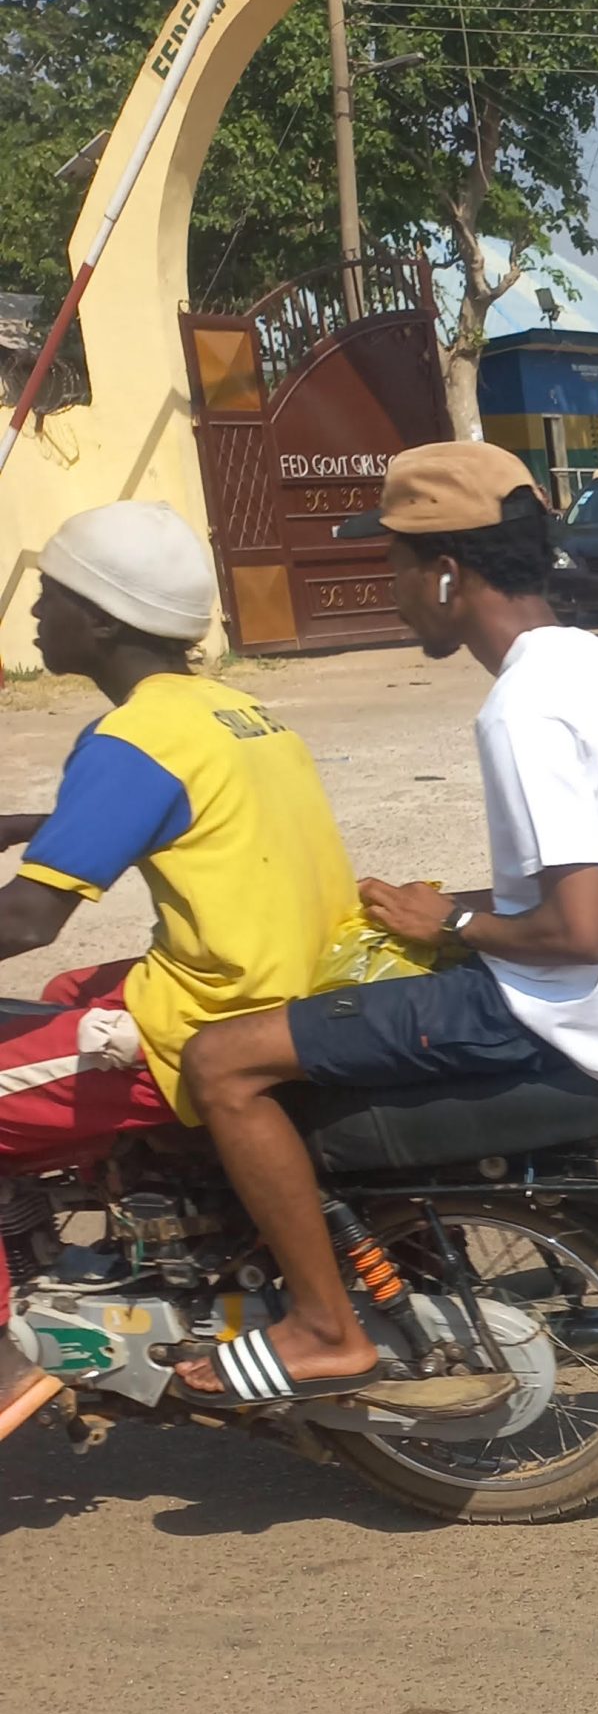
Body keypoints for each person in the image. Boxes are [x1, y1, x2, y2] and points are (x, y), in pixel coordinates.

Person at [171, 443, 598, 1408]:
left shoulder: (522, 709)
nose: (393, 589)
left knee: (221, 1062)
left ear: (449, 574)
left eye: (396, 566)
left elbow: (578, 929)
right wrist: (451, 916)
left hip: (554, 1012)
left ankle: (325, 1329)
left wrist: (454, 917)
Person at [0, 503, 359, 1444]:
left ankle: (4, 1361)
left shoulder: (133, 739)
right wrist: (37, 821)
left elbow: (28, 918)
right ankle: (154, 1228)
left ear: (105, 620)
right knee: (67, 998)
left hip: (212, 1013)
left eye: (53, 596)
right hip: (296, 983)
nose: (36, 614)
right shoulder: (231, 712)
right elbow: (171, 807)